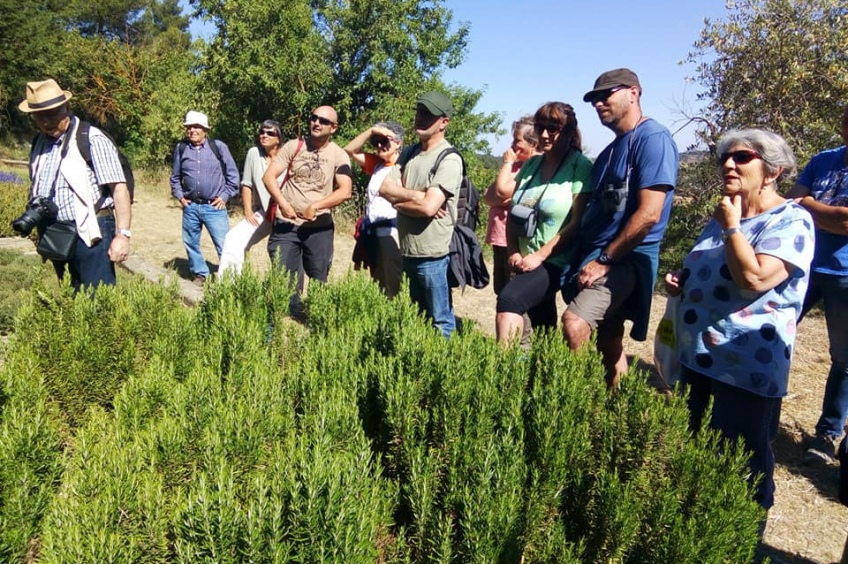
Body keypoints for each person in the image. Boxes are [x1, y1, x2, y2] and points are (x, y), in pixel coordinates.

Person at [665, 128, 814, 512]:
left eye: (742, 157)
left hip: (745, 366)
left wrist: (732, 227)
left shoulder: (792, 219)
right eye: (724, 158)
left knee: (742, 465)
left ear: (773, 171)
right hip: (696, 355)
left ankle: (743, 541)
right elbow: (711, 266)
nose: (728, 164)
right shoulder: (723, 214)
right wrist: (682, 281)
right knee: (692, 451)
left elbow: (754, 279)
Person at [561, 68, 678, 387]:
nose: (598, 104)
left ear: (634, 92)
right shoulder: (610, 152)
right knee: (609, 341)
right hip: (598, 255)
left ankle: (573, 404)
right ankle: (613, 406)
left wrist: (605, 260)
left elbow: (649, 215)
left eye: (605, 96)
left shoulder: (652, 139)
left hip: (625, 259)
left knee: (574, 323)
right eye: (594, 99)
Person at [17, 79, 132, 290]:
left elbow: (119, 189)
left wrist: (122, 236)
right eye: (38, 116)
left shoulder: (92, 138)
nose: (45, 121)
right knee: (70, 298)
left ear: (67, 108)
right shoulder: (39, 143)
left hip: (91, 232)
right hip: (56, 231)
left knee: (98, 301)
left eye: (51, 114)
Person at [495, 103, 592, 344]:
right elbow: (513, 209)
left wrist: (539, 255)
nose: (545, 134)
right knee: (542, 326)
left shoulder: (580, 167)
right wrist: (513, 251)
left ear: (569, 132)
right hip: (524, 259)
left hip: (555, 261)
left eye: (553, 128)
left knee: (509, 300)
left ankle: (504, 375)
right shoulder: (531, 165)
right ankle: (542, 374)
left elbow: (577, 223)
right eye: (541, 128)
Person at [785, 105, 848, 463]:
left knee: (844, 359)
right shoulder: (824, 159)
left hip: (845, 274)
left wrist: (811, 207)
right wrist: (830, 215)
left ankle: (827, 435)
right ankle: (758, 407)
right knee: (771, 331)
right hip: (803, 265)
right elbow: (795, 201)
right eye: (846, 120)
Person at [379, 91, 463, 338]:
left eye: (429, 114)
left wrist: (400, 198)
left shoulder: (449, 159)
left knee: (440, 321)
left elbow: (429, 209)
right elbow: (384, 189)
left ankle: (441, 371)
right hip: (408, 250)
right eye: (419, 112)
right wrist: (418, 195)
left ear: (444, 122)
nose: (421, 118)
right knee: (418, 316)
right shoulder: (410, 152)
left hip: (433, 256)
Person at [262, 106, 352, 306]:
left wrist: (317, 206)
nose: (317, 123)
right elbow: (268, 177)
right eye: (314, 118)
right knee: (283, 277)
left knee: (318, 277)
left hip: (319, 229)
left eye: (324, 121)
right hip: (287, 225)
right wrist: (283, 203)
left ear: (334, 128)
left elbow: (345, 190)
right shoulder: (294, 146)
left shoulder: (339, 155)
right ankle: (283, 319)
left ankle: (316, 319)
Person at [170, 110, 240, 285]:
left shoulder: (219, 147)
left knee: (224, 245)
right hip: (191, 207)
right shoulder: (181, 148)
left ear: (205, 130)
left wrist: (224, 196)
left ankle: (230, 280)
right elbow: (175, 177)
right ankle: (200, 273)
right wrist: (180, 197)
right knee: (191, 242)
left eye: (196, 127)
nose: (192, 130)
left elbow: (233, 176)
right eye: (189, 127)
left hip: (214, 208)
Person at [344, 121, 405, 297]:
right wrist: (371, 131)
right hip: (373, 231)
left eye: (385, 141)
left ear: (398, 143)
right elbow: (350, 150)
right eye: (376, 141)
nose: (379, 145)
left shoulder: (404, 166)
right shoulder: (377, 165)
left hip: (392, 232)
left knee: (392, 282)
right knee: (377, 280)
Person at [218, 120, 284, 277]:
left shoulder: (288, 156)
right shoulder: (254, 153)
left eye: (270, 133)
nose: (264, 135)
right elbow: (246, 184)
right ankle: (229, 285)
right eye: (262, 132)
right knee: (234, 239)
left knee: (282, 253)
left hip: (287, 214)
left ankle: (282, 294)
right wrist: (248, 210)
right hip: (265, 212)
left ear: (279, 138)